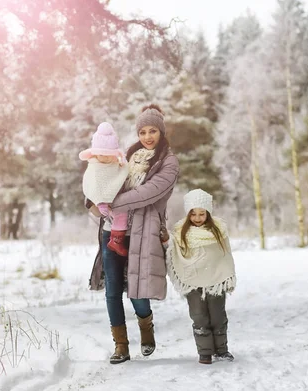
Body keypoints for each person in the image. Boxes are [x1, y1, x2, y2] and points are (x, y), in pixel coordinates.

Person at [87, 104, 180, 364]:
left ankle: (146, 328)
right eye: (142, 131)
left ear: (161, 132)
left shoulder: (168, 162)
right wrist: (92, 199)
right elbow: (101, 176)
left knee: (138, 292)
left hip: (141, 231)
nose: (147, 136)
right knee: (113, 290)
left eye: (152, 131)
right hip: (110, 230)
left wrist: (109, 203)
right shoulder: (127, 155)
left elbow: (148, 193)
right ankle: (121, 346)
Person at [166, 189, 237, 365]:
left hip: (215, 279)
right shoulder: (180, 233)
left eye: (202, 214)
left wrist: (226, 274)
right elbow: (176, 254)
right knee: (199, 316)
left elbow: (225, 255)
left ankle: (222, 350)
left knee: (217, 315)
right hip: (191, 281)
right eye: (193, 214)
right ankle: (205, 352)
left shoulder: (219, 231)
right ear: (188, 213)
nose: (198, 218)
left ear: (208, 213)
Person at [79, 122, 130, 257]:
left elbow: (120, 175)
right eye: (102, 154)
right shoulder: (94, 167)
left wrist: (122, 165)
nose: (106, 158)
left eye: (109, 154)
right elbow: (93, 186)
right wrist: (100, 202)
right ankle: (116, 240)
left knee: (121, 216)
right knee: (117, 217)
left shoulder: (114, 164)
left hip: (118, 202)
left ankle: (116, 240)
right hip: (102, 207)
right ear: (95, 154)